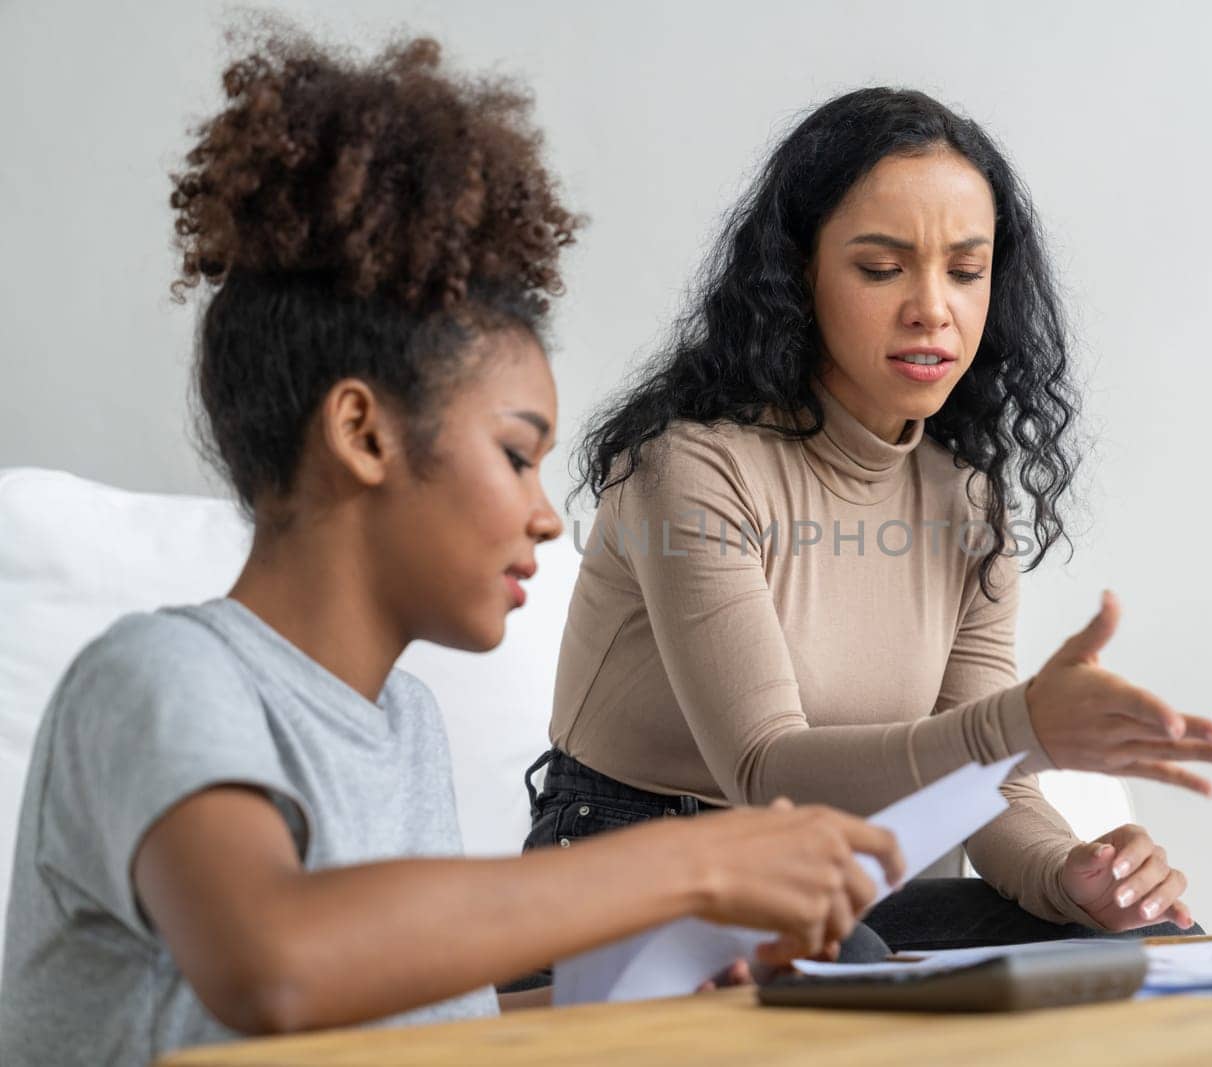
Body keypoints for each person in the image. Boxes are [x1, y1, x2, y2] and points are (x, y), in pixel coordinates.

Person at [0, 31, 903, 1065]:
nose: (546, 512)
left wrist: (655, 979)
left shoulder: (403, 723)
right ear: (364, 432)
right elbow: (275, 962)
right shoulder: (158, 676)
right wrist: (693, 859)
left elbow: (417, 1025)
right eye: (516, 455)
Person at [528, 87, 1212, 953]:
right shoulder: (693, 469)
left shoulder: (968, 500)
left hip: (857, 885)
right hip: (640, 866)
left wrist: (1074, 876)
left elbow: (991, 786)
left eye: (966, 271)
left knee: (1150, 938)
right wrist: (1019, 729)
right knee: (850, 966)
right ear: (798, 276)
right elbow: (763, 771)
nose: (932, 307)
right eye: (881, 267)